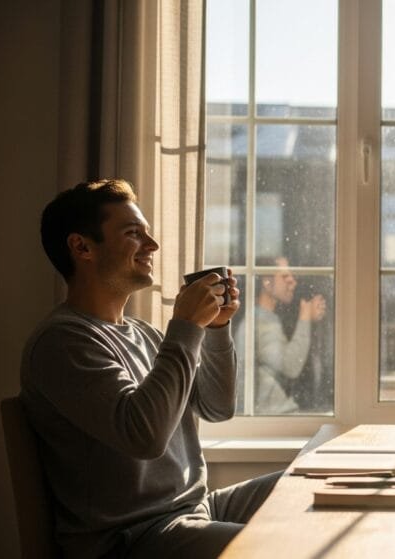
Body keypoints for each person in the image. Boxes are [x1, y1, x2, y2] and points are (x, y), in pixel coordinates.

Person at [20, 179, 281, 558]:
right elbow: (144, 436)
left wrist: (216, 329)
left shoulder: (144, 333)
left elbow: (217, 407)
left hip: (195, 509)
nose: (153, 245)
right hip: (134, 537)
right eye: (133, 233)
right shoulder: (61, 342)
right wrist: (187, 326)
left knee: (306, 489)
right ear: (82, 247)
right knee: (284, 546)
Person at [253, 256, 327, 414]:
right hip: (272, 418)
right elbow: (291, 366)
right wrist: (305, 316)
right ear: (267, 282)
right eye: (285, 276)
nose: (293, 281)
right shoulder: (262, 322)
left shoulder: (268, 318)